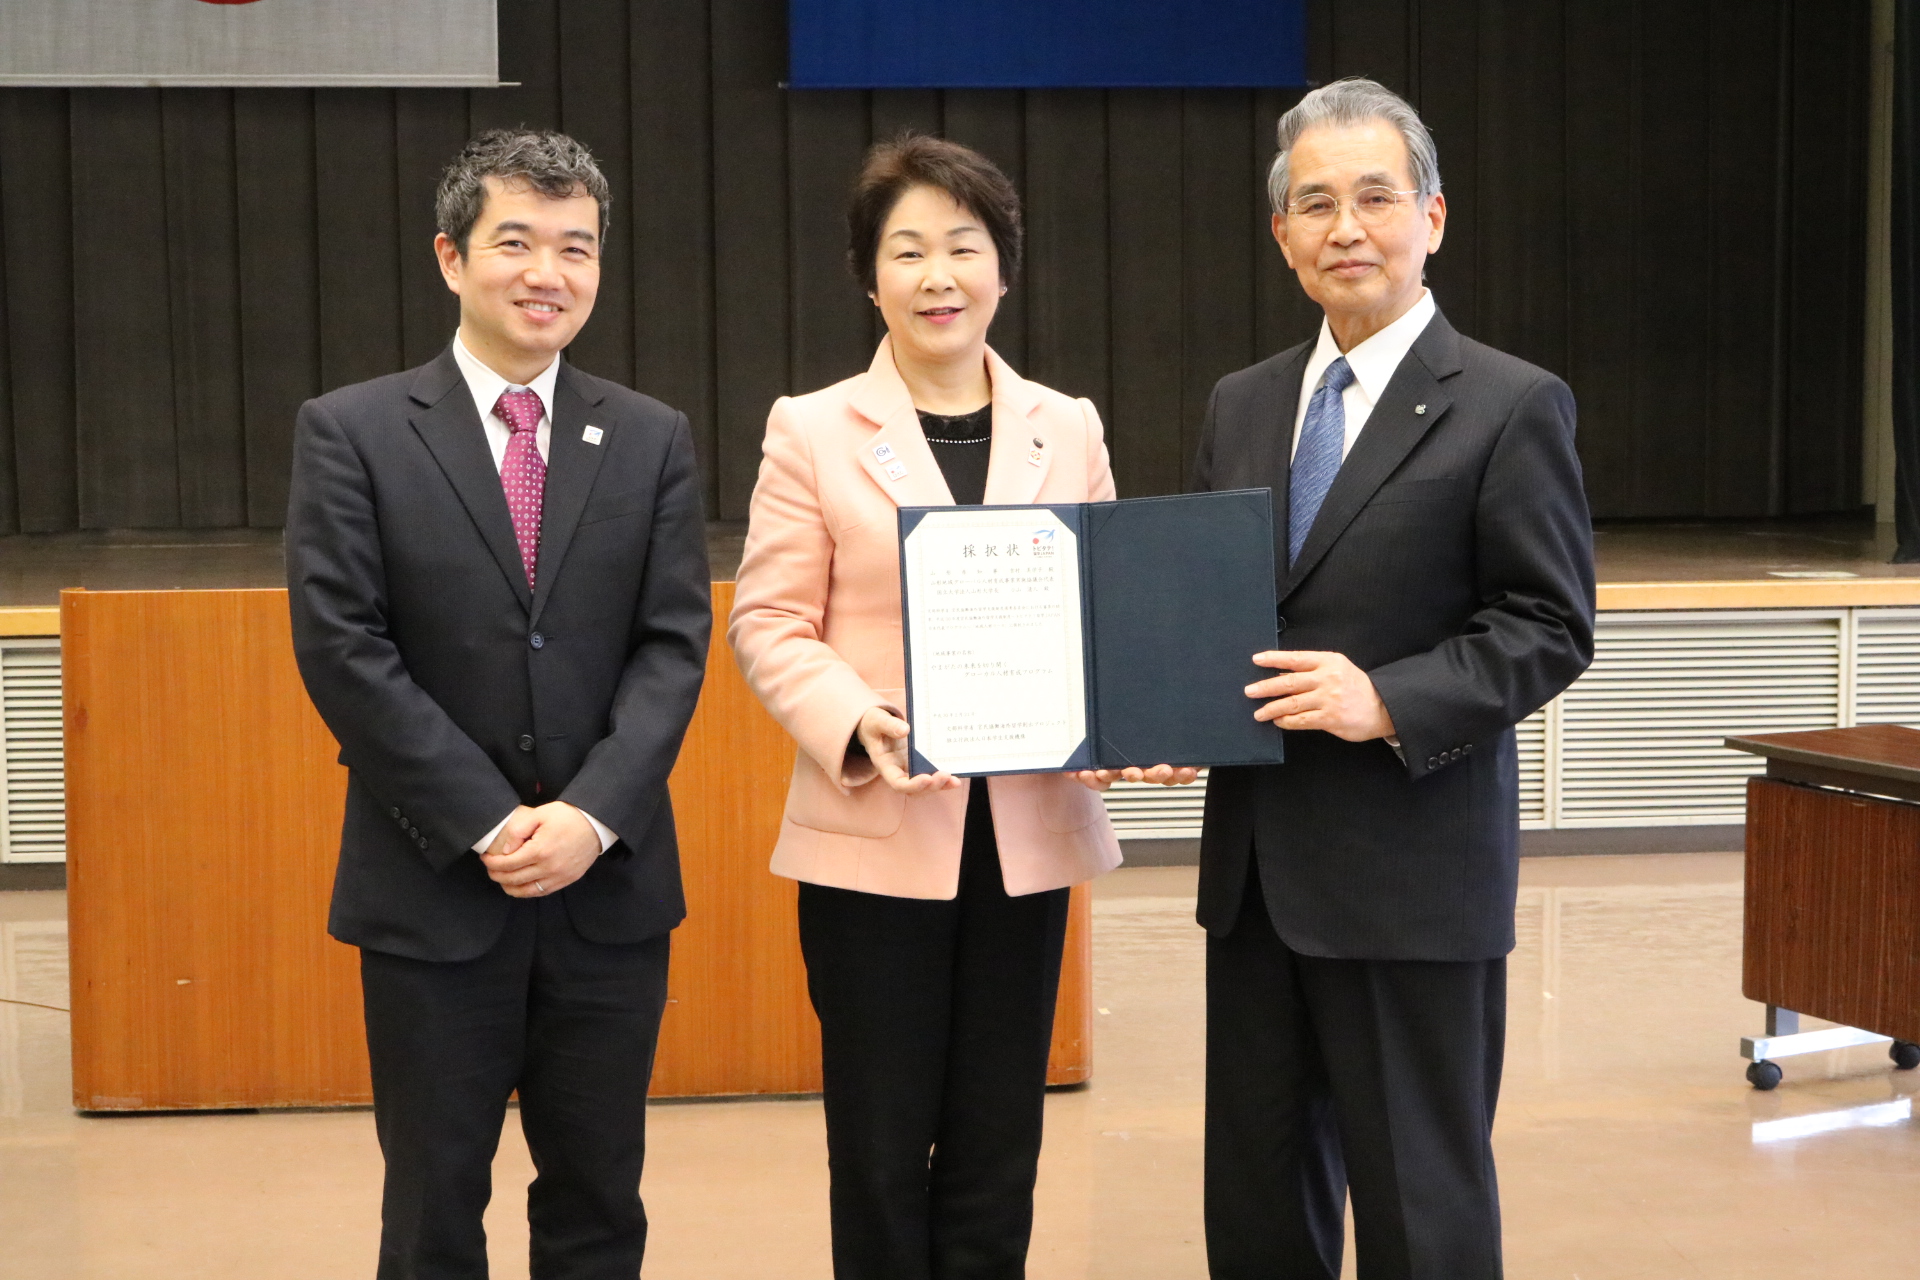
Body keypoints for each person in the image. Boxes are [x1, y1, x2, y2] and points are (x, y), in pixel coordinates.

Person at [284, 129, 711, 1279]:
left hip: (606, 891)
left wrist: (590, 815)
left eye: (577, 247)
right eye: (515, 241)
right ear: (450, 257)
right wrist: (488, 818)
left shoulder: (649, 435)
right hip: (432, 887)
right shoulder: (354, 431)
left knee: (599, 1200)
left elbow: (674, 645)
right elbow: (341, 647)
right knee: (432, 1205)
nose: (548, 272)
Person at [1190, 79, 1596, 1278]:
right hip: (1258, 880)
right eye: (1315, 203)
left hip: (1414, 875)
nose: (1345, 227)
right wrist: (1162, 708)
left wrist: (1388, 698)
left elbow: (1547, 624)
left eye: (1375, 197)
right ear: (1282, 236)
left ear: (1434, 216)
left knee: (1422, 1206)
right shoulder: (1244, 400)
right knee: (1258, 1206)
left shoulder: (1512, 403)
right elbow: (1216, 609)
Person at [727, 135, 1151, 1280]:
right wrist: (854, 718)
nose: (937, 275)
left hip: (1024, 834)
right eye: (906, 250)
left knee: (998, 1136)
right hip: (873, 839)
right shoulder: (810, 428)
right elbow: (767, 623)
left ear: (1002, 269)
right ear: (871, 277)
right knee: (875, 1142)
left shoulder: (1068, 424)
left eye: (963, 247)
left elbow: (1105, 614)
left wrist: (1123, 718)